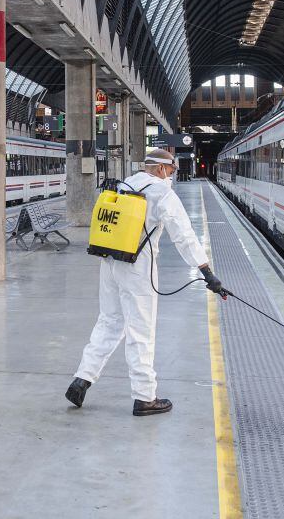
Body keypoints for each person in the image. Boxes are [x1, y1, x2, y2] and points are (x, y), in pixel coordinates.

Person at [66, 148, 226, 416]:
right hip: (138, 267)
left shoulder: (127, 183)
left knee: (109, 321)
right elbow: (183, 235)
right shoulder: (162, 193)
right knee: (141, 330)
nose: (172, 176)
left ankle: (82, 378)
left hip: (110, 262)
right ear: (162, 169)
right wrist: (206, 271)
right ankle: (144, 397)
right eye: (172, 171)